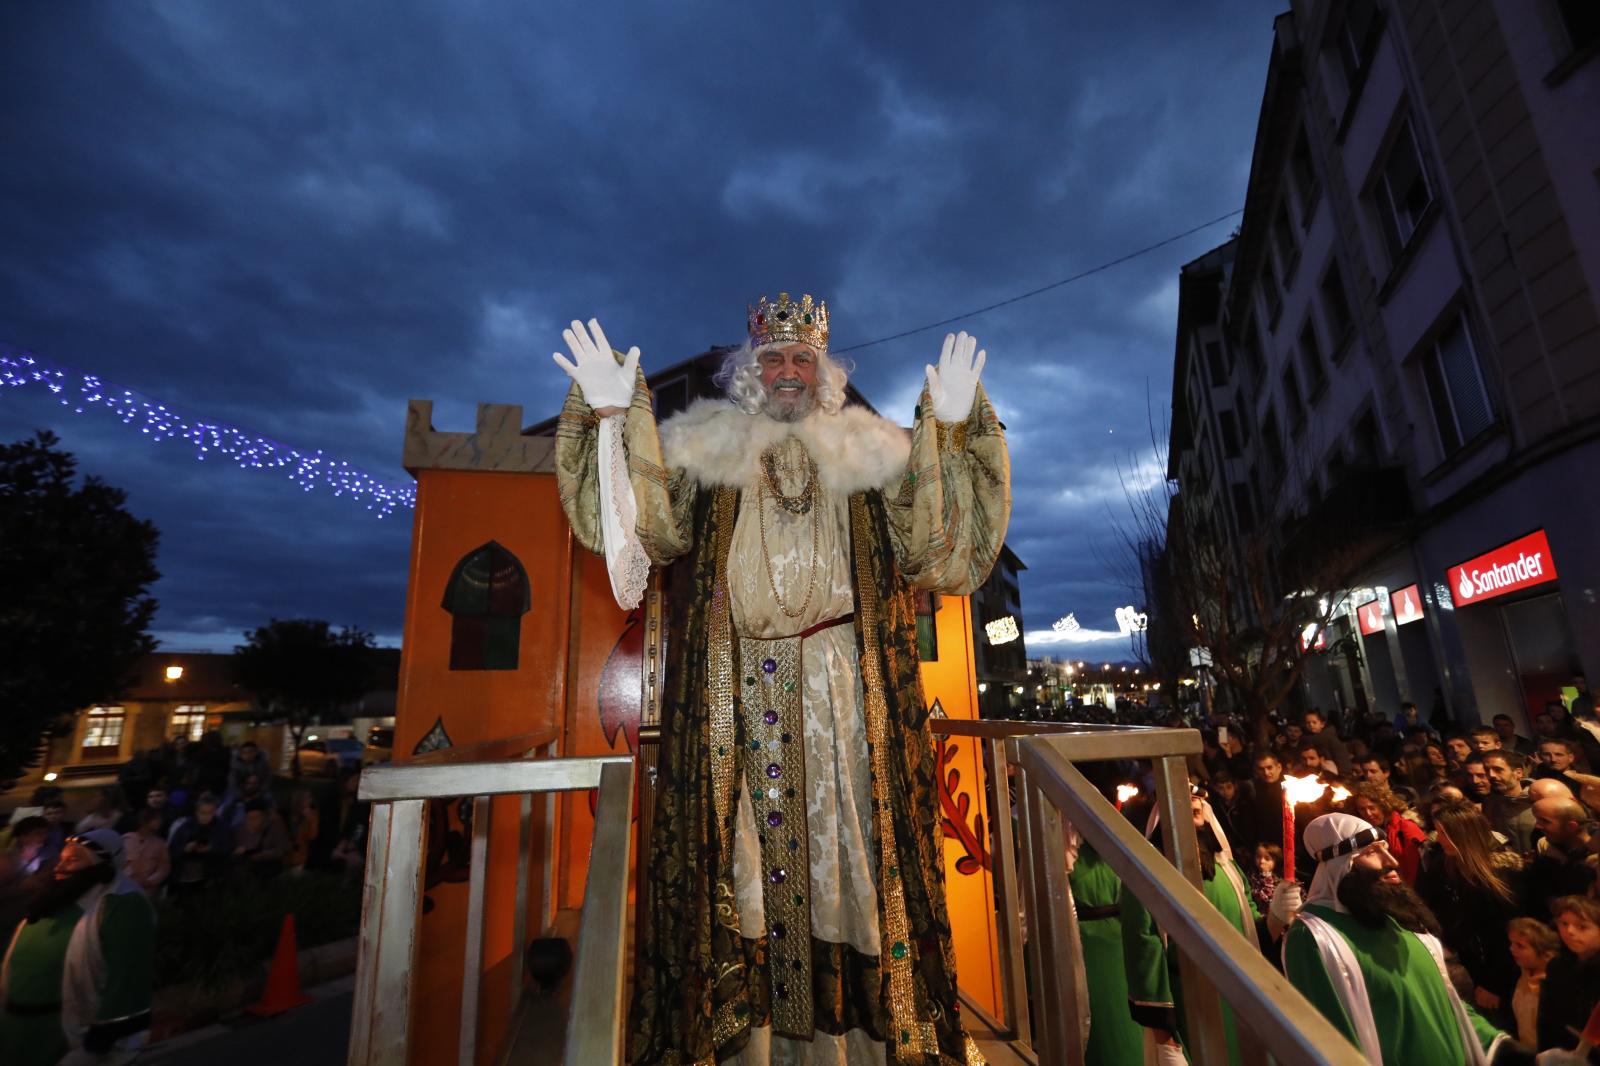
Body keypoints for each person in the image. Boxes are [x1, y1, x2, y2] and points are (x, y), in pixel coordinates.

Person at [553, 300, 1008, 1063]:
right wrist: (612, 418)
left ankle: (857, 1041)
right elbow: (640, 533)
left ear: (826, 375)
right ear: (748, 373)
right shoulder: (707, 448)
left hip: (844, 696)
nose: (789, 373)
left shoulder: (870, 453)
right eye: (773, 360)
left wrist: (951, 433)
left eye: (803, 360)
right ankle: (754, 1046)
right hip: (737, 695)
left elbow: (938, 552)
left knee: (853, 858)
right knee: (746, 866)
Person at [1280, 813, 1530, 1064]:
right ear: (1341, 866)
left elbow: (1440, 1003)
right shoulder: (1315, 936)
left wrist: (1499, 1046)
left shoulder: (1397, 916)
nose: (1391, 861)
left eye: (1386, 849)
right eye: (1371, 852)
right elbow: (1330, 1037)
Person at [1122, 793, 1280, 1065]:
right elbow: (1144, 952)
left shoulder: (1228, 867)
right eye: (1184, 798)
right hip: (1191, 1000)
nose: (1192, 798)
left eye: (1197, 800)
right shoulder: (1148, 873)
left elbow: (1252, 926)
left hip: (1240, 995)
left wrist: (1279, 917)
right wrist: (1166, 1041)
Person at [0, 829, 156, 1065]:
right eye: (62, 858)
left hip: (65, 1039)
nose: (60, 867)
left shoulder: (122, 905)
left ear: (101, 865)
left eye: (73, 860)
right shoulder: (51, 903)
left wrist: (99, 1042)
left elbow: (128, 976)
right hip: (17, 1032)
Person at [1418, 803, 1525, 1021]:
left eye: (1444, 833)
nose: (1438, 839)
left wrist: (1492, 984)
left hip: (1497, 976)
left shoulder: (1499, 876)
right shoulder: (1445, 865)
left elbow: (1505, 935)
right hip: (1467, 966)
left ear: (1464, 835)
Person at [1066, 828, 1143, 1066]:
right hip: (1085, 942)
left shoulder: (1113, 850)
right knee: (1099, 1018)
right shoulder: (1065, 853)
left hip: (1121, 937)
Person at [1538, 896, 1600, 1060]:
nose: (1569, 931)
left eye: (1582, 926)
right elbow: (1546, 1019)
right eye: (1564, 924)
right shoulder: (1557, 966)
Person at [1526, 798, 1597, 919]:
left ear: (1571, 826)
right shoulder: (1546, 847)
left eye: (1545, 821)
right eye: (1537, 819)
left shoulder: (1593, 857)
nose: (1537, 826)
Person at [1350, 783, 1427, 885]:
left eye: (1372, 808)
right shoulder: (1361, 833)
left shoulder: (1406, 828)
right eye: (1362, 809)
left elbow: (1416, 868)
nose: (1368, 813)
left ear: (1383, 805)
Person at [167, 793, 233, 901]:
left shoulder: (223, 828)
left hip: (211, 878)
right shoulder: (186, 826)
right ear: (197, 811)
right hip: (184, 879)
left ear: (215, 811)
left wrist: (211, 849)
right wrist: (185, 848)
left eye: (210, 813)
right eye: (203, 813)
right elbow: (171, 850)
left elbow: (228, 849)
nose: (206, 816)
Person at [1507, 918, 1559, 1050]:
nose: (1511, 949)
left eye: (1520, 946)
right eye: (1512, 943)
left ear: (1545, 954)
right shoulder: (1524, 971)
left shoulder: (1553, 985)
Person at [1484, 752, 1539, 854]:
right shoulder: (1490, 803)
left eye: (1498, 770)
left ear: (1518, 773)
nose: (1491, 775)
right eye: (1487, 770)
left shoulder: (1540, 798)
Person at [120, 808, 169, 896]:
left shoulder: (160, 843)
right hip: (127, 884)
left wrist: (151, 880)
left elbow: (164, 866)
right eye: (156, 819)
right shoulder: (128, 839)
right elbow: (127, 862)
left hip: (148, 887)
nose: (159, 821)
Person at [1302, 710, 1352, 779]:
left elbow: (1341, 758)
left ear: (1322, 724)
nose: (1311, 725)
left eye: (1314, 722)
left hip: (1332, 773)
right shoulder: (1305, 740)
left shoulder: (1330, 738)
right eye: (1308, 723)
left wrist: (1343, 775)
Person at [1250, 843, 1284, 915]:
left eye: (1267, 858)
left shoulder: (1278, 880)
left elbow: (1268, 898)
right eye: (1258, 856)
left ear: (1275, 861)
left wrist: (1266, 875)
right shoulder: (1253, 875)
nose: (1262, 861)